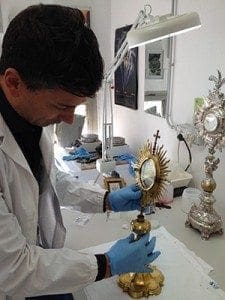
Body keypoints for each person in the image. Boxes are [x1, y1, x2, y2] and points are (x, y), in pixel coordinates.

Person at [0, 4, 160, 300]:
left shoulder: (31, 112)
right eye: (62, 106)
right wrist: (107, 264)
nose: (70, 119)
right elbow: (13, 269)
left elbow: (49, 180)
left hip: (41, 262)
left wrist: (108, 199)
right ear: (14, 83)